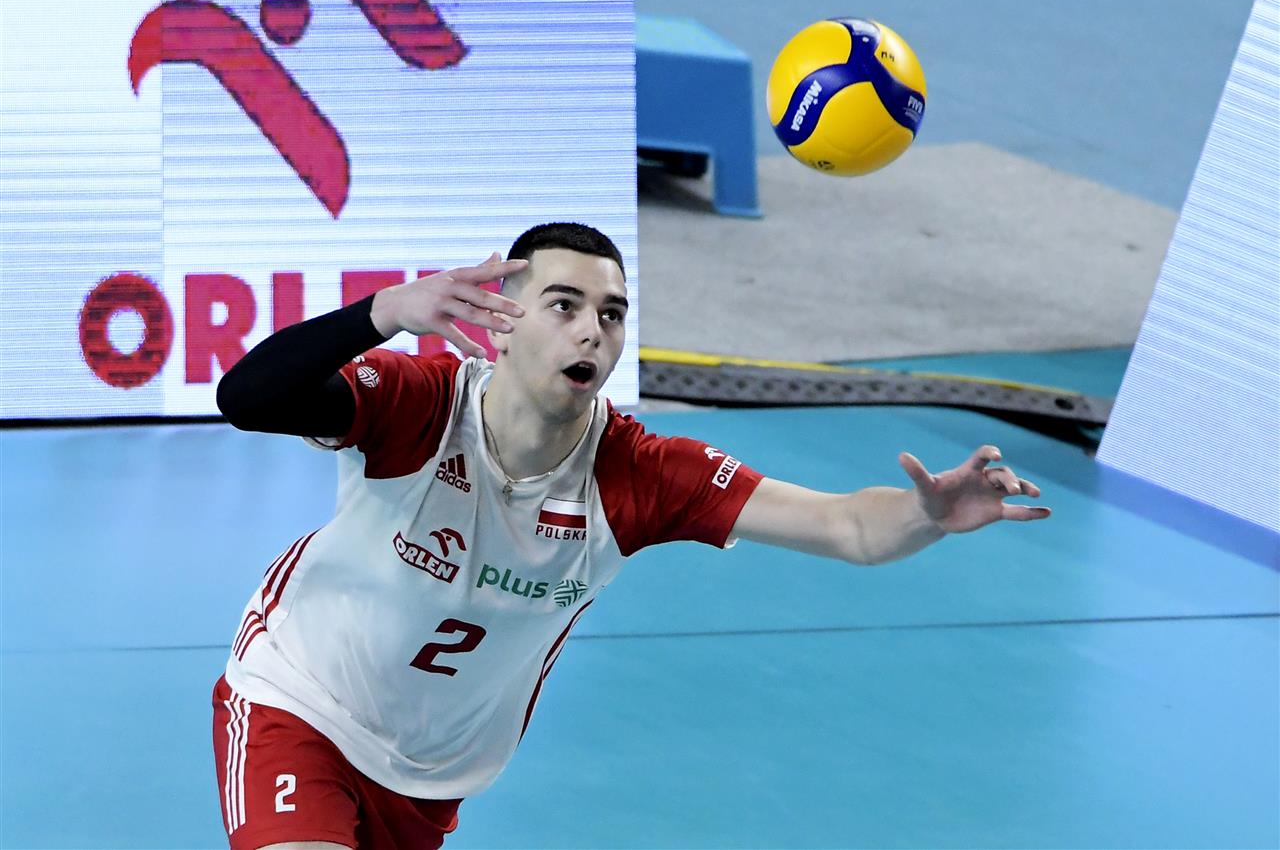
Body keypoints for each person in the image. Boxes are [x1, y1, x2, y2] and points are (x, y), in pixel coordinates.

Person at [213, 222, 1050, 850]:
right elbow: (248, 398)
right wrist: (384, 312)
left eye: (611, 315)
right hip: (299, 699)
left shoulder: (637, 474)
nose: (592, 331)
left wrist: (926, 515)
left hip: (433, 774)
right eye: (565, 306)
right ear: (501, 322)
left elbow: (846, 527)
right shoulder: (420, 405)